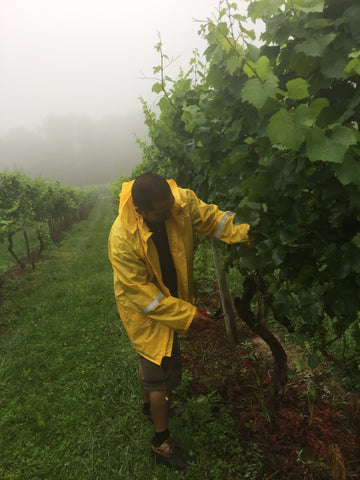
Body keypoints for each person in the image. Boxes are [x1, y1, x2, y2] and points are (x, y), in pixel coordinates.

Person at [108, 172, 250, 471]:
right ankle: (161, 441)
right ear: (140, 209)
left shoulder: (179, 202)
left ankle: (149, 408)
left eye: (171, 207)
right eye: (162, 212)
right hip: (143, 307)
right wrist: (187, 316)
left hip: (167, 298)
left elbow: (214, 221)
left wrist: (249, 232)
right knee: (160, 365)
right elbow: (141, 294)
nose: (171, 213)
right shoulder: (121, 238)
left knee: (150, 360)